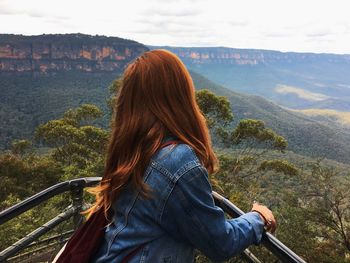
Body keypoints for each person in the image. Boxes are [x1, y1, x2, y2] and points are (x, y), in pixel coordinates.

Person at [83, 49, 276, 262]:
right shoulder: (177, 162)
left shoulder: (134, 150)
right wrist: (258, 218)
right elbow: (221, 242)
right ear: (180, 95)